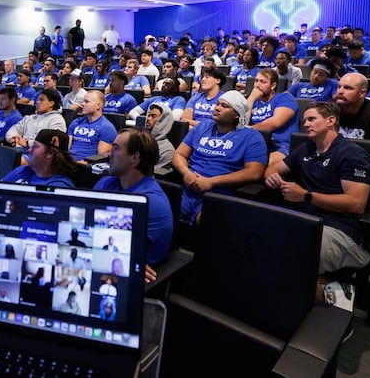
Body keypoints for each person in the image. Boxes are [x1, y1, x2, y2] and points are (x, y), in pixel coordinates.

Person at [265, 101, 370, 310]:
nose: (306, 124)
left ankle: (330, 301)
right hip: (307, 222)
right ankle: (323, 287)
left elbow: (356, 204)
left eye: (311, 119)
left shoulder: (351, 154)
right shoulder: (305, 149)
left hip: (344, 231)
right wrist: (271, 176)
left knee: (285, 257)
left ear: (330, 121)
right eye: (304, 120)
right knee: (259, 241)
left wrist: (306, 196)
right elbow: (273, 168)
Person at [172, 91, 268, 225]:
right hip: (188, 189)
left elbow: (254, 172)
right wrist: (186, 173)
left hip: (220, 194)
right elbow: (179, 155)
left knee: (207, 224)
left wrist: (211, 182)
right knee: (158, 215)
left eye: (224, 106)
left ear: (237, 114)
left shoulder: (252, 137)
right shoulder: (202, 127)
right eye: (217, 104)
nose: (217, 108)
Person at [95, 128, 173, 283]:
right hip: (105, 263)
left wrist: (125, 262)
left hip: (132, 278)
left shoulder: (152, 203)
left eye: (116, 148)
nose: (109, 154)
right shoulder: (106, 182)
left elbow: (120, 250)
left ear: (135, 158)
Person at [247, 68, 299, 166]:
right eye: (256, 81)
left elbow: (275, 122)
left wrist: (248, 129)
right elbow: (242, 122)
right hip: (256, 144)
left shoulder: (285, 98)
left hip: (281, 146)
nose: (257, 85)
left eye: (263, 82)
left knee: (259, 164)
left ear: (273, 86)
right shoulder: (253, 102)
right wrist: (251, 98)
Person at [6, 88, 66, 161]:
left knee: (11, 160)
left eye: (41, 100)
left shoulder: (57, 120)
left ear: (51, 103)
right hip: (20, 150)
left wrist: (27, 143)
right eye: (37, 99)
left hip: (40, 156)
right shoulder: (29, 118)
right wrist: (12, 138)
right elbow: (14, 128)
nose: (37, 102)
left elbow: (51, 142)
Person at [2, 129, 77, 187]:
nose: (30, 150)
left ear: (50, 153)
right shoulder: (23, 170)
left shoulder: (60, 186)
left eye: (35, 146)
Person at [67, 90, 117, 162]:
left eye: (87, 102)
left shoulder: (107, 128)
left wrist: (81, 163)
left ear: (98, 106)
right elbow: (67, 147)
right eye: (83, 101)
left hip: (87, 165)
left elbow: (101, 158)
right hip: (69, 163)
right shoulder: (76, 122)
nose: (82, 104)